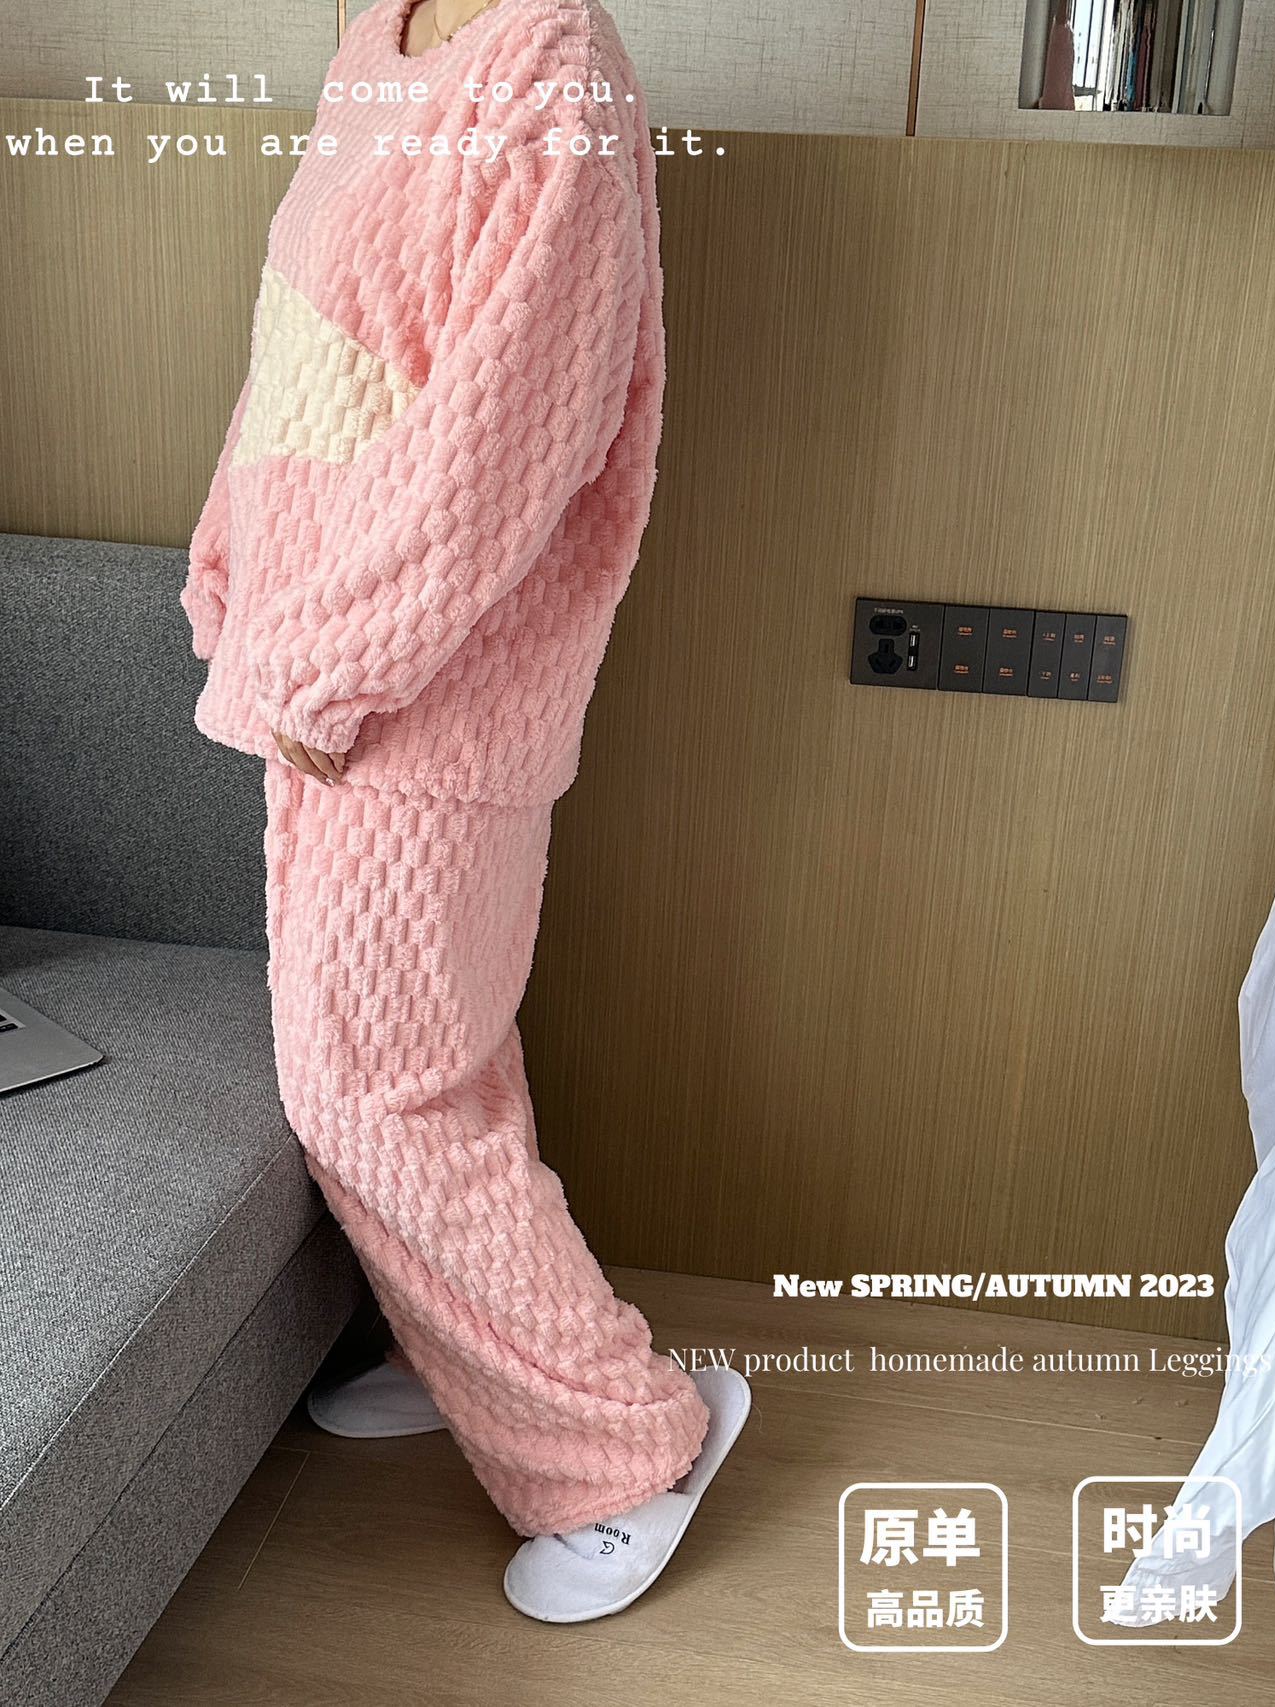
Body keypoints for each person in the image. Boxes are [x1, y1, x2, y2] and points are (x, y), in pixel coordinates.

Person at [179, 0, 749, 1623]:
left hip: (424, 697)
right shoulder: (380, 35)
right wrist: (233, 572)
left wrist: (334, 668)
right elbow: (301, 333)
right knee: (438, 1062)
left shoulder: (553, 66)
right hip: (318, 678)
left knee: (373, 1087)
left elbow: (512, 436)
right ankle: (476, 1360)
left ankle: (622, 1449)